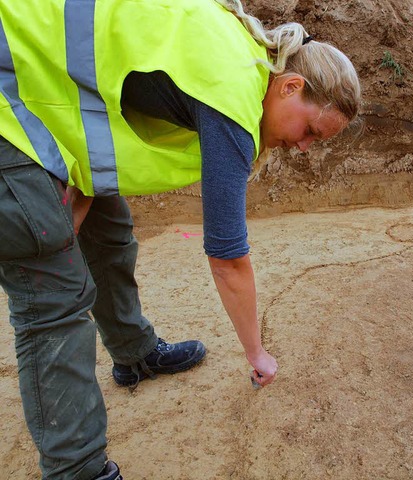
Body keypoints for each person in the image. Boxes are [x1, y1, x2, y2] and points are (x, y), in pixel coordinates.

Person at [0, 0, 361, 478]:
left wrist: (82, 192)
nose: (303, 147)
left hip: (37, 79)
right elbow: (228, 258)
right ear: (291, 86)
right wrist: (257, 353)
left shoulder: (233, 51)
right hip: (12, 93)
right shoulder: (232, 96)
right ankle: (76, 470)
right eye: (311, 131)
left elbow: (97, 85)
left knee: (109, 234)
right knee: (52, 294)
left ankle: (133, 354)